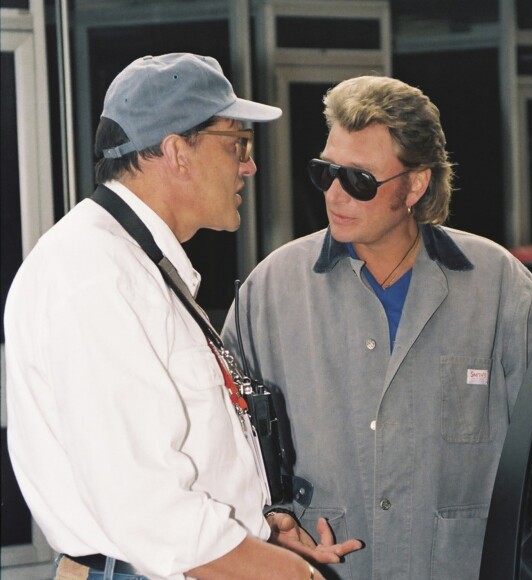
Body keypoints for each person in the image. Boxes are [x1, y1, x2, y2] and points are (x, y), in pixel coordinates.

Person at [4, 53, 361, 580]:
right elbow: (146, 507)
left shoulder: (134, 263)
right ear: (177, 152)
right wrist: (287, 575)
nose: (250, 165)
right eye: (237, 144)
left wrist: (258, 532)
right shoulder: (96, 275)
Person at [221, 74, 532, 579]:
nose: (335, 194)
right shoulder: (270, 292)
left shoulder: (501, 287)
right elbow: (226, 446)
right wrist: (270, 519)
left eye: (358, 180)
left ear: (415, 184)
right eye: (325, 172)